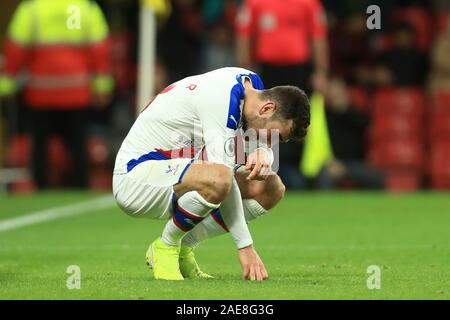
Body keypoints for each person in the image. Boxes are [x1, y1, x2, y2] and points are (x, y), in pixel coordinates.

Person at [113, 67, 310, 281]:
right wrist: (245, 246)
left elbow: (238, 160)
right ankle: (166, 245)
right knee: (220, 178)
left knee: (269, 187)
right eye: (275, 135)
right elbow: (223, 177)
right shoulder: (221, 99)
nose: (272, 143)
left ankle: (184, 247)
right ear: (267, 108)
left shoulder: (252, 88)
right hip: (137, 176)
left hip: (179, 170)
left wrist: (263, 151)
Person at [0, 0, 113, 189]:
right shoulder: (86, 8)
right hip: (77, 93)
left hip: (41, 93)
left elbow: (15, 49)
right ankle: (79, 186)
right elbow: (100, 50)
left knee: (40, 144)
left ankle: (40, 185)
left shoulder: (32, 9)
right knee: (77, 143)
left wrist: (8, 84)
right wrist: (102, 88)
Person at [235, 0, 329, 190]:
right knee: (261, 121)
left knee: (296, 124)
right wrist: (244, 70)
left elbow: (318, 37)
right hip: (267, 70)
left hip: (299, 71)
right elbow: (244, 36)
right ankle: (258, 173)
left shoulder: (308, 4)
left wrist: (321, 72)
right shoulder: (255, 3)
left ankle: (300, 177)